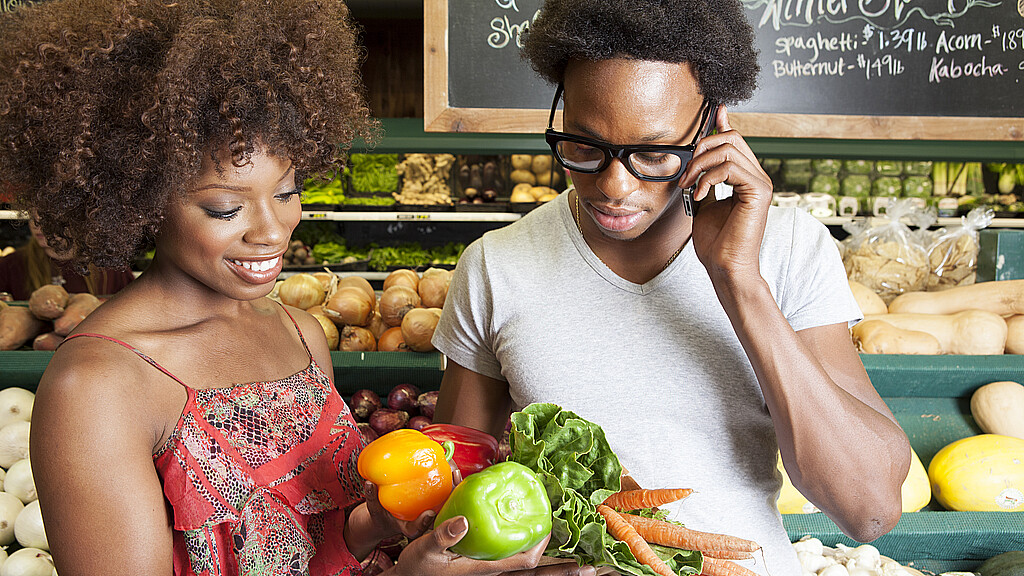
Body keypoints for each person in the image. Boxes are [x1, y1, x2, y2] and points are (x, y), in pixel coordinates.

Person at [0, 1, 593, 575]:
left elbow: (307, 546)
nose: (273, 229)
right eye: (226, 208)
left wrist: (380, 524)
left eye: (285, 192)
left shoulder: (298, 333)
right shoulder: (96, 385)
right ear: (137, 199)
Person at [431, 1, 912, 574]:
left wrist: (738, 278)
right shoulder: (496, 267)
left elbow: (870, 509)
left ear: (712, 128)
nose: (614, 185)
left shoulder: (790, 250)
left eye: (655, 153)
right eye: (585, 146)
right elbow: (454, 511)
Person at [0, 218, 135, 300]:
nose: (36, 225)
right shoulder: (10, 266)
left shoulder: (110, 266)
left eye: (47, 217)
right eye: (32, 218)